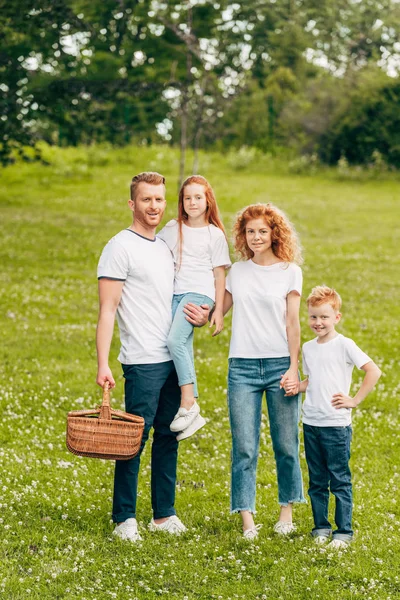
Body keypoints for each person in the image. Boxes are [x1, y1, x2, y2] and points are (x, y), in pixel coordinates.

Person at [96, 171, 210, 542]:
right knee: (134, 438)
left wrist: (204, 313)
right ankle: (124, 517)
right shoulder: (119, 247)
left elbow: (188, 290)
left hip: (173, 360)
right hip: (141, 359)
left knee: (168, 436)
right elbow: (108, 310)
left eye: (159, 199)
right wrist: (103, 362)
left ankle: (163, 515)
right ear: (132, 203)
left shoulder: (165, 245)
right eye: (146, 199)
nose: (154, 206)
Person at [223, 203, 306, 540]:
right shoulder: (237, 272)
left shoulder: (290, 271)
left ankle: (286, 511)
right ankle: (247, 518)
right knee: (244, 446)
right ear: (243, 236)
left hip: (278, 366)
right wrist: (200, 314)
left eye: (262, 231)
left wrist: (292, 367)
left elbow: (293, 322)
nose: (255, 237)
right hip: (241, 366)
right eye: (250, 231)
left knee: (286, 443)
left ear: (275, 233)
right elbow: (219, 314)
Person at [284, 286, 381, 549]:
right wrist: (297, 386)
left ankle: (343, 531)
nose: (318, 322)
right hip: (311, 422)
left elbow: (373, 371)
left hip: (336, 426)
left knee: (339, 478)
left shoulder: (345, 345)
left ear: (336, 317)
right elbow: (312, 380)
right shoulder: (308, 347)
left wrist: (354, 400)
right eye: (314, 317)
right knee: (317, 480)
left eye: (324, 317)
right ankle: (321, 527)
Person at [158, 175, 231, 440]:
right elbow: (153, 250)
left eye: (198, 197)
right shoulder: (172, 228)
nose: (193, 202)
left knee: (174, 340)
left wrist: (218, 312)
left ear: (208, 200)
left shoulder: (214, 234)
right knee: (183, 346)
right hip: (175, 293)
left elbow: (220, 275)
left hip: (199, 294)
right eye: (187, 197)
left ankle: (189, 402)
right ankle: (192, 415)